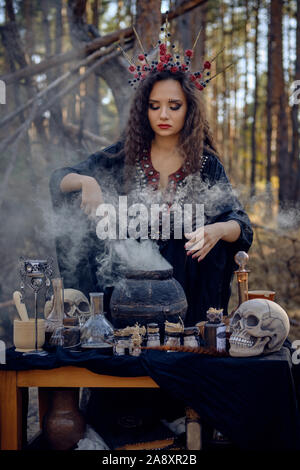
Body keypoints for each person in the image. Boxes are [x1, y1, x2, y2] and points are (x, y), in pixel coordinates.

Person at [50, 68, 253, 327]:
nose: (163, 115)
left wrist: (218, 230)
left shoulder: (206, 165)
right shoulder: (121, 159)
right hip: (125, 300)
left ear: (189, 109)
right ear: (143, 110)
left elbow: (241, 225)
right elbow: (59, 179)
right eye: (154, 106)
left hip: (188, 300)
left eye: (174, 106)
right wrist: (86, 181)